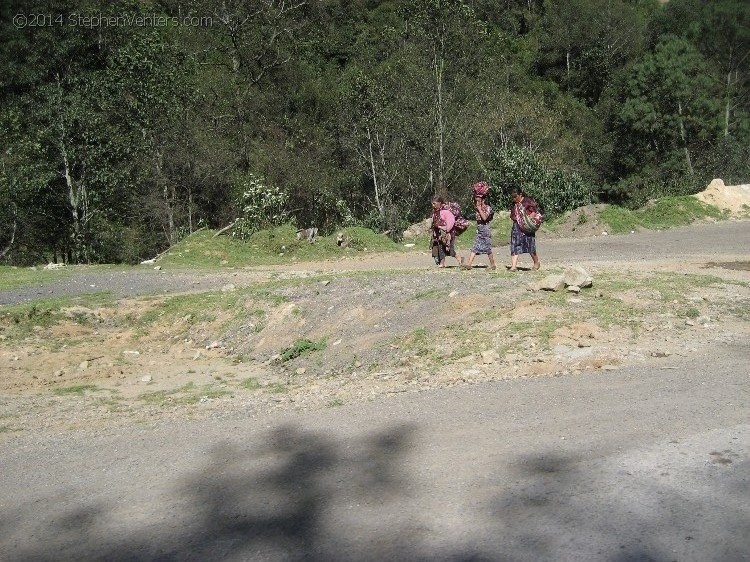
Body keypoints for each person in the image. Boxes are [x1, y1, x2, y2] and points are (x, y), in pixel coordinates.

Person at [462, 190, 496, 271]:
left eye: (478, 200)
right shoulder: (477, 208)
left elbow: (484, 218)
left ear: (483, 200)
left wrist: (479, 209)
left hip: (485, 228)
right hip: (480, 228)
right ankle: (469, 264)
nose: (476, 202)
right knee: (475, 246)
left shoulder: (487, 208)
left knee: (487, 248)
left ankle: (493, 264)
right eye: (476, 200)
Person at [509, 189, 541, 271]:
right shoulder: (514, 204)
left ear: (520, 194)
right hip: (516, 226)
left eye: (515, 196)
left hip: (527, 226)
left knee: (530, 245)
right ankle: (513, 266)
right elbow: (512, 214)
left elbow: (534, 211)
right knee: (515, 244)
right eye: (513, 197)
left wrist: (527, 219)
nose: (514, 199)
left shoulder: (527, 201)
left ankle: (536, 262)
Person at [431, 194, 463, 268]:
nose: (433, 205)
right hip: (440, 234)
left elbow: (451, 221)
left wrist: (447, 231)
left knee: (450, 250)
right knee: (441, 249)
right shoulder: (435, 213)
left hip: (448, 234)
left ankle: (460, 259)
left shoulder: (445, 212)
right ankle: (442, 263)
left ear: (440, 203)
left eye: (434, 203)